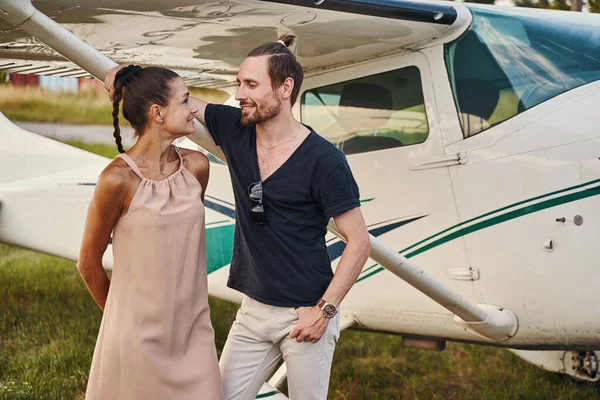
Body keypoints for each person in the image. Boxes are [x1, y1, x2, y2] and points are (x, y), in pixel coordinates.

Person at [78, 65, 223, 400]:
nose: (193, 109)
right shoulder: (116, 180)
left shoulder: (197, 168)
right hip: (136, 342)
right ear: (157, 113)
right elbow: (88, 263)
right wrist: (123, 325)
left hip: (194, 337)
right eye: (185, 101)